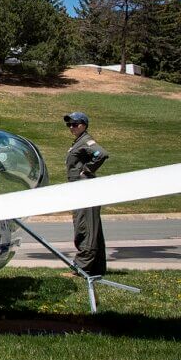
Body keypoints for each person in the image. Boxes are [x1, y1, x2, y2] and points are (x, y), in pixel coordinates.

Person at [65, 112, 110, 276]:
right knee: (92, 228)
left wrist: (87, 170)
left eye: (75, 124)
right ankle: (96, 268)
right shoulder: (79, 141)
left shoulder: (86, 140)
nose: (71, 127)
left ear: (83, 125)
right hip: (80, 189)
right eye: (69, 125)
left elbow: (101, 154)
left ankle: (82, 268)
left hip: (85, 189)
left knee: (85, 227)